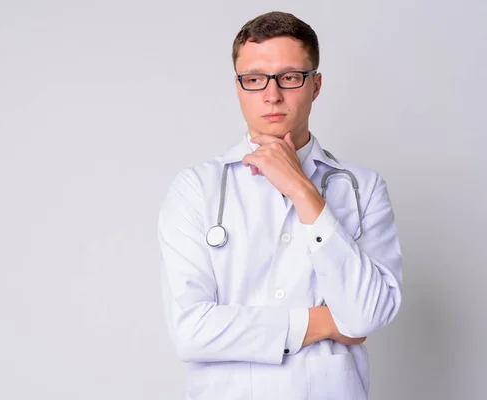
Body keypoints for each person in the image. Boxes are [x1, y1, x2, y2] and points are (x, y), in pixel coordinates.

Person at [157, 11, 402, 400]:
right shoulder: (196, 188)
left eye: (289, 77)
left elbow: (368, 314)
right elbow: (190, 332)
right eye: (254, 80)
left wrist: (304, 191)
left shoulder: (363, 188)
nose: (272, 95)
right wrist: (322, 321)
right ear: (238, 87)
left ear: (316, 85)